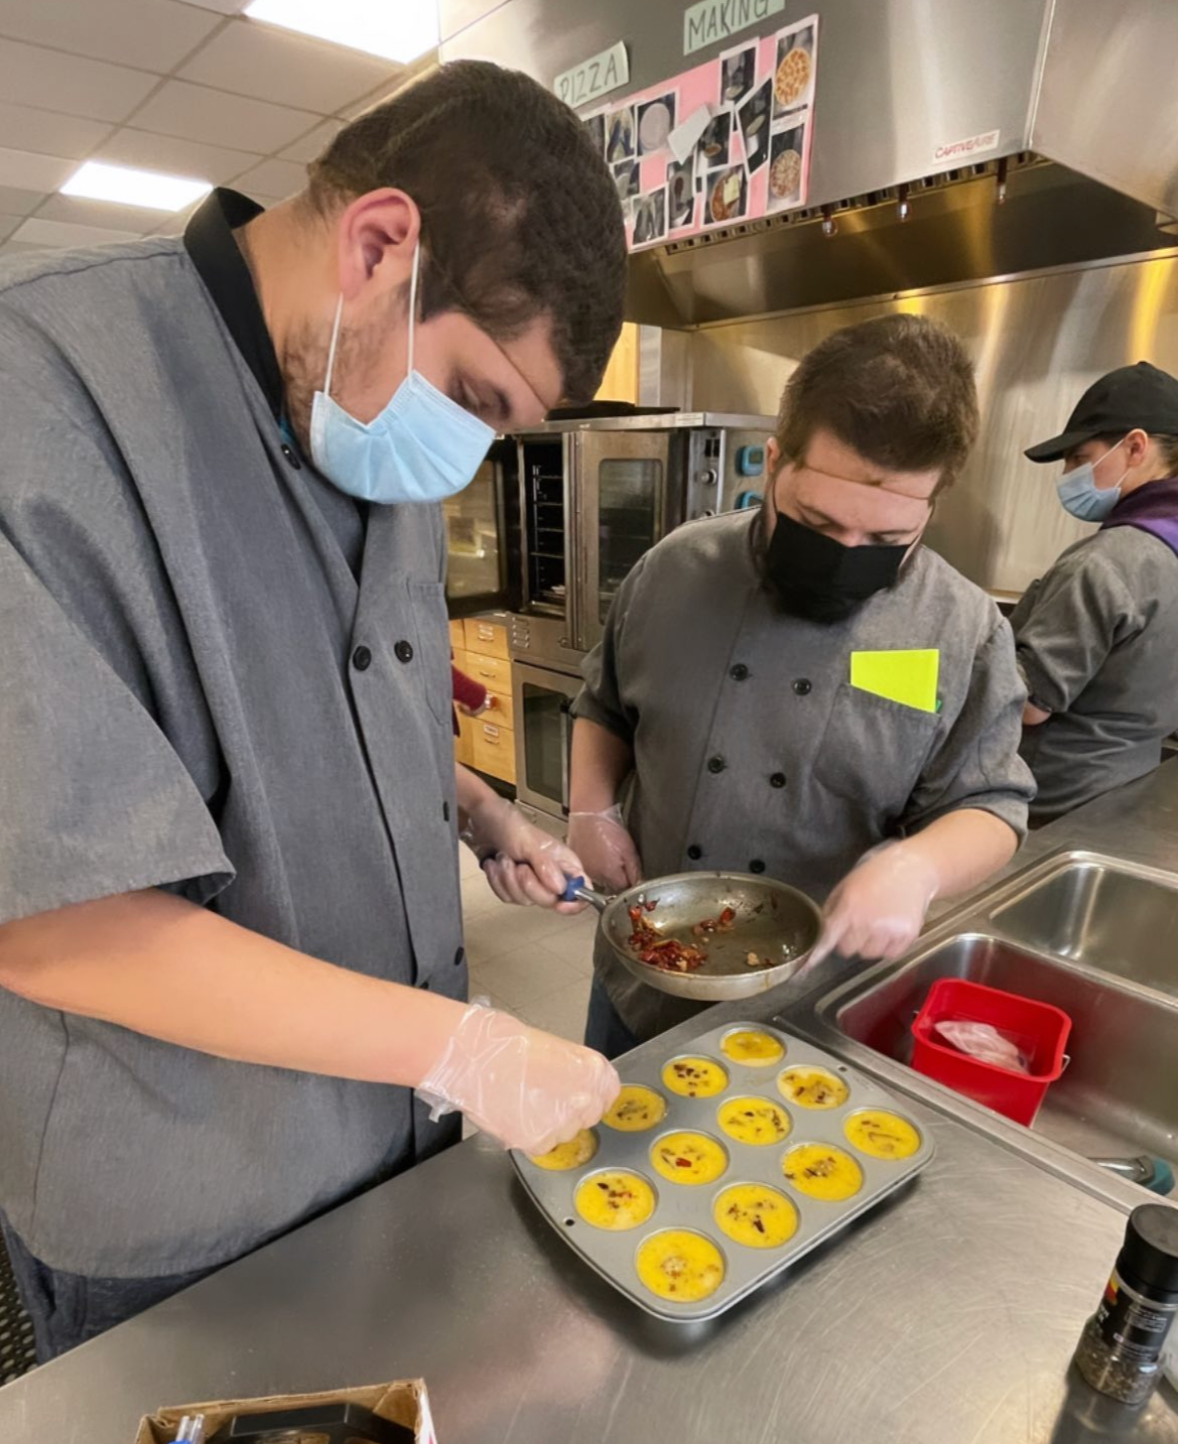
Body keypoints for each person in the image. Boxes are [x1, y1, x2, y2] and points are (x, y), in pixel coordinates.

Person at [0, 61, 625, 1359]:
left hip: (379, 1146)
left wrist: (477, 811)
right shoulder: (39, 405)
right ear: (379, 243)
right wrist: (463, 1048)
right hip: (178, 1223)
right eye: (473, 397)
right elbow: (60, 928)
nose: (461, 450)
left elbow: (337, 699)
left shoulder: (358, 415)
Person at [567, 315, 1036, 1057]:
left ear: (931, 504)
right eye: (818, 520)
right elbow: (602, 706)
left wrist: (917, 866)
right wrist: (590, 809)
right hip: (647, 976)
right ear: (775, 461)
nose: (845, 553)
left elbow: (990, 806)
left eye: (884, 540)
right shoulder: (671, 571)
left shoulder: (964, 629)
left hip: (820, 1004)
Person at [1011, 362, 1178, 825]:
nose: (1066, 474)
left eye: (1079, 458)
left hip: (1048, 804)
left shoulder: (1107, 562)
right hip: (1128, 796)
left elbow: (1026, 703)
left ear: (1136, 447)